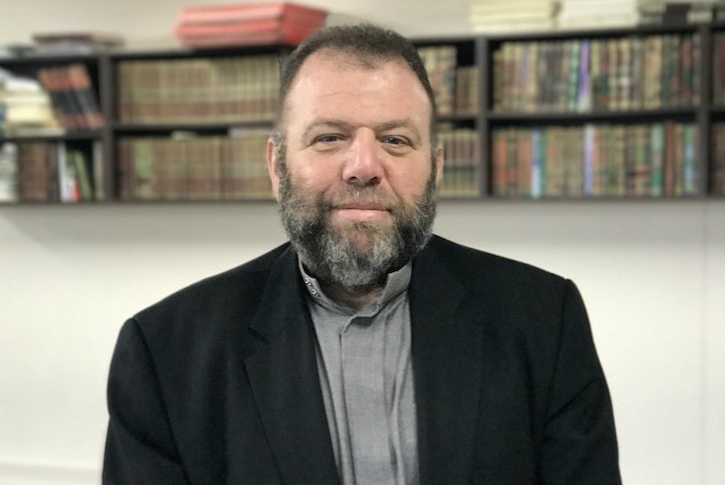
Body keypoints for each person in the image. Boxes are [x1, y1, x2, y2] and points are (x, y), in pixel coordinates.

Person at [102, 23, 621, 485]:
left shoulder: (544, 321)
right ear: (277, 165)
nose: (364, 166)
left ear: (435, 168)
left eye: (396, 140)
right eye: (330, 137)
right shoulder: (164, 353)